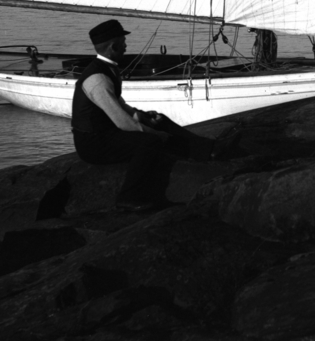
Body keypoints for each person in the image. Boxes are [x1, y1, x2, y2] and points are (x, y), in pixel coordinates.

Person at [71, 19, 217, 210]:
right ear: (113, 46)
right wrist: (155, 133)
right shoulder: (97, 79)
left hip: (106, 133)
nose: (126, 46)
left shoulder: (107, 68)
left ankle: (206, 149)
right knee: (149, 143)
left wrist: (141, 116)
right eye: (123, 42)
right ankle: (128, 197)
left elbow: (120, 105)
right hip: (93, 143)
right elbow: (121, 121)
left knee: (160, 120)